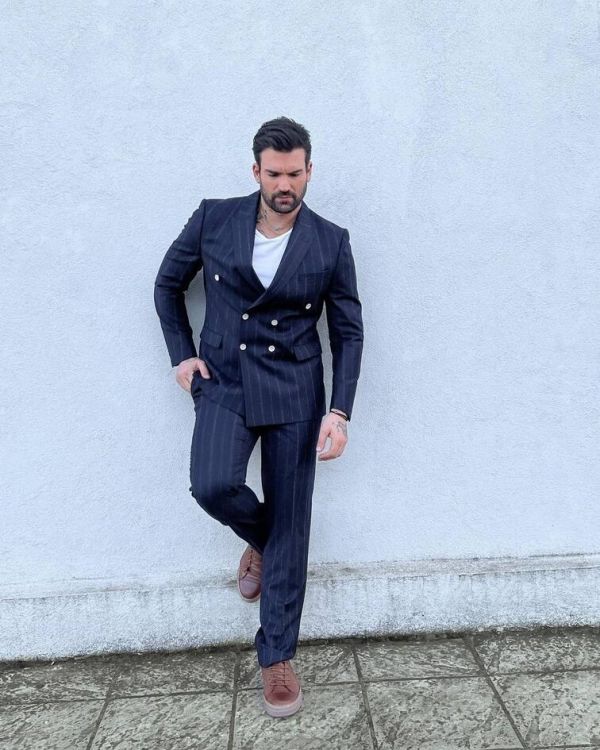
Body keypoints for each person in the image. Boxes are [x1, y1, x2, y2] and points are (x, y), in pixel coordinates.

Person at [153, 116, 363, 718]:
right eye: (274, 174)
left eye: (295, 173)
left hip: (295, 392)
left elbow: (348, 332)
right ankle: (264, 541)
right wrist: (182, 355)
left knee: (293, 513)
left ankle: (276, 657)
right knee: (212, 485)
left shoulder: (330, 241)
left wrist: (339, 411)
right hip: (225, 383)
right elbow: (167, 286)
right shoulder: (214, 218)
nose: (285, 185)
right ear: (256, 171)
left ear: (309, 170)